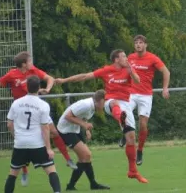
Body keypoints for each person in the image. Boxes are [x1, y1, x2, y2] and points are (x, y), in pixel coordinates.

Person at [0, 51, 75, 187]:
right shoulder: (11, 74)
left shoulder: (33, 70)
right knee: (27, 137)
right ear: (24, 64)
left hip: (36, 107)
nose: (32, 63)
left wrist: (48, 89)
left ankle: (68, 159)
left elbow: (49, 78)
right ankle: (25, 170)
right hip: (21, 108)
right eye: (30, 61)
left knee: (54, 132)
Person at [55, 49, 148, 184]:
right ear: (116, 59)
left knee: (131, 138)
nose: (127, 58)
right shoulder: (107, 70)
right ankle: (119, 116)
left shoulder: (129, 69)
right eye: (124, 56)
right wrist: (64, 80)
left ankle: (132, 171)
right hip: (109, 102)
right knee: (115, 104)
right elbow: (85, 76)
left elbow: (138, 81)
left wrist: (131, 70)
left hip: (125, 104)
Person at [118, 35, 170, 166]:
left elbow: (166, 72)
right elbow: (122, 71)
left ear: (145, 45)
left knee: (142, 125)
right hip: (131, 93)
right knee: (122, 113)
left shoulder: (152, 58)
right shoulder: (130, 57)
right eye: (136, 43)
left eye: (141, 43)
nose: (138, 45)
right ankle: (125, 133)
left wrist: (165, 88)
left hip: (146, 95)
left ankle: (140, 150)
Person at [5, 75, 62, 193]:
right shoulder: (43, 105)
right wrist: (49, 149)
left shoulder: (16, 103)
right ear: (39, 87)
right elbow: (45, 127)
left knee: (13, 174)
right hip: (37, 144)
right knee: (51, 170)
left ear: (26, 87)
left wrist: (16, 137)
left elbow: (9, 124)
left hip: (20, 144)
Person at [56, 90, 109, 191]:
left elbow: (83, 117)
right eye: (105, 101)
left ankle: (76, 185)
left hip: (74, 130)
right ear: (100, 100)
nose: (105, 104)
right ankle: (88, 184)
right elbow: (68, 116)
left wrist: (86, 130)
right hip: (65, 130)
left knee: (85, 158)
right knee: (86, 155)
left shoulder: (92, 107)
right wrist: (84, 125)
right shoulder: (86, 105)